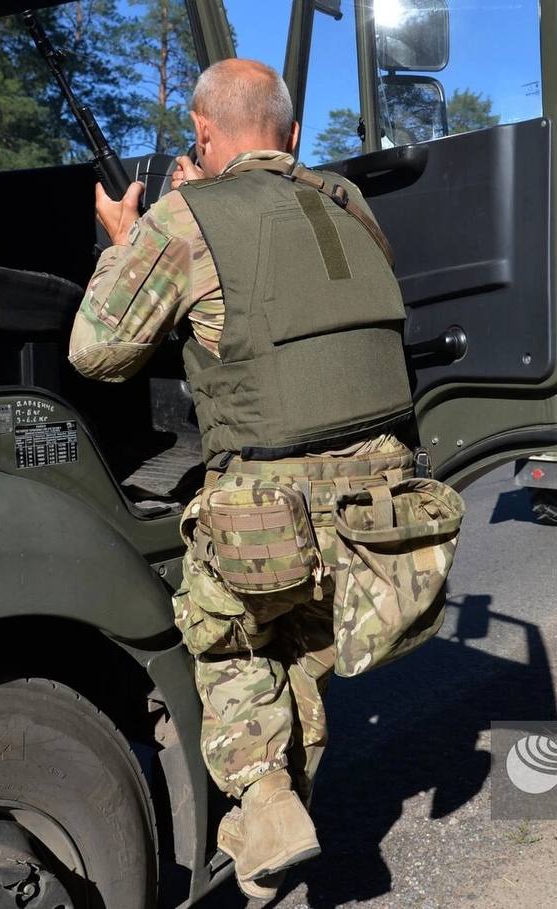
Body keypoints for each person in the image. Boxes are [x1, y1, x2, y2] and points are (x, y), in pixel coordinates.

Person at [68, 59, 418, 900]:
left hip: (267, 506)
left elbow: (97, 350)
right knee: (302, 655)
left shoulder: (182, 218)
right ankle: (292, 807)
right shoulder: (348, 202)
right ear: (294, 136)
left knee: (229, 638)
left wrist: (134, 238)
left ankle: (264, 798)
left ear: (200, 133)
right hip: (381, 505)